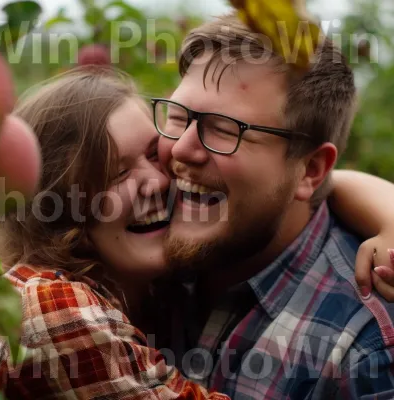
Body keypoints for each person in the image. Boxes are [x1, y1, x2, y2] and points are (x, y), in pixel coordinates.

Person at [0, 67, 394, 399]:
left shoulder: (165, 279)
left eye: (154, 155)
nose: (162, 179)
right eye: (116, 175)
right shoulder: (53, 310)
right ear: (62, 208)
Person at [154, 14, 394, 399]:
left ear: (310, 170)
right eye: (178, 117)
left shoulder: (363, 353)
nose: (182, 147)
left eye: (224, 129)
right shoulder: (135, 253)